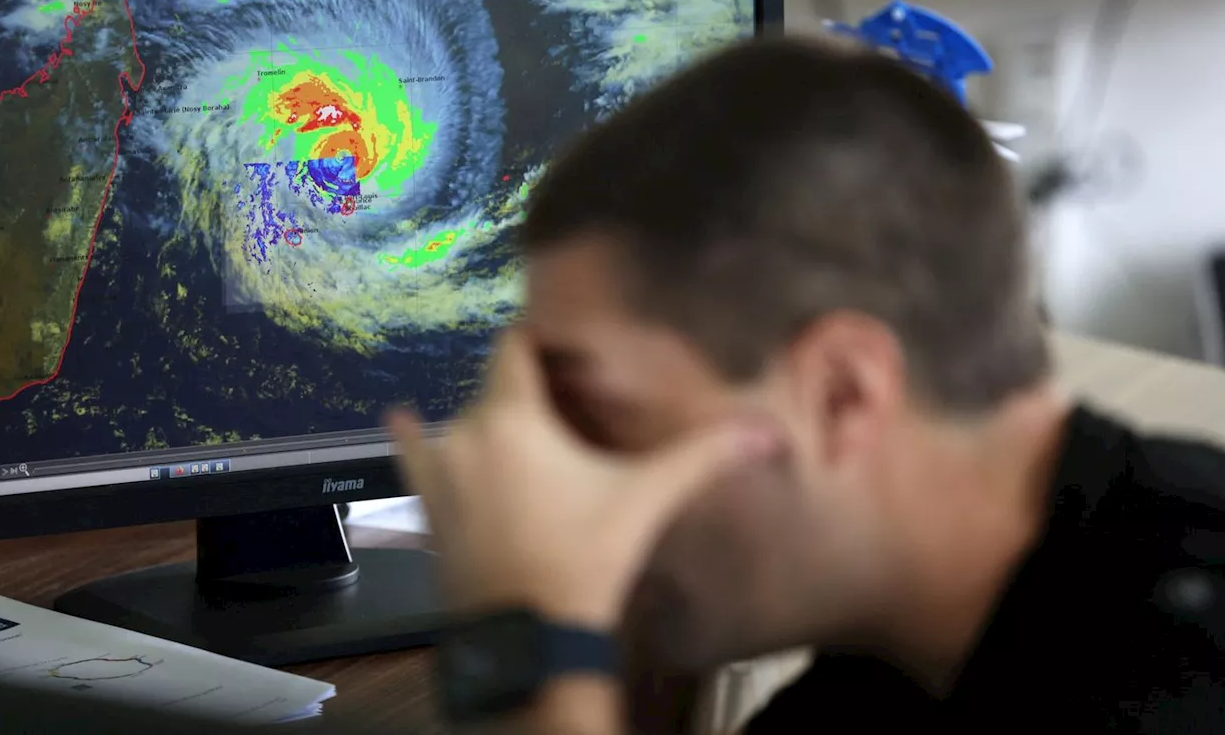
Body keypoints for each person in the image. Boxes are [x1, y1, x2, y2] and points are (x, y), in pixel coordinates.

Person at [388, 37, 1225, 734]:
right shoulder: (882, 679)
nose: (550, 478)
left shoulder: (1178, 681)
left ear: (842, 393)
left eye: (597, 414)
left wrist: (528, 635)